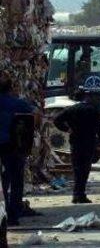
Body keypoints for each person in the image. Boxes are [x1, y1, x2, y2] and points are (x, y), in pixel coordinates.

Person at [54, 76, 100, 204]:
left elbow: (56, 120)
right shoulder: (93, 110)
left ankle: (76, 195)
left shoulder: (72, 109)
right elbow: (99, 128)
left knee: (76, 169)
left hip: (75, 143)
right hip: (88, 144)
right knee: (85, 170)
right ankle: (80, 195)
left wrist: (67, 129)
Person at [0, 75, 37, 226]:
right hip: (12, 147)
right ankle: (13, 215)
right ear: (11, 89)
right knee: (15, 181)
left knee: (3, 182)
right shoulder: (18, 104)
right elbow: (35, 115)